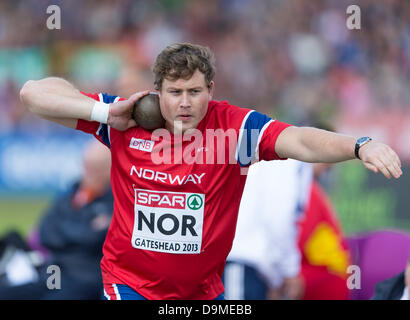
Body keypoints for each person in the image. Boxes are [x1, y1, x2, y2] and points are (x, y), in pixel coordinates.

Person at [19, 43, 402, 300]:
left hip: (202, 293)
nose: (185, 104)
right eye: (175, 92)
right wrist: (103, 113)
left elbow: (299, 140)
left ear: (211, 89)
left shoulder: (234, 129)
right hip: (129, 285)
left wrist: (359, 145)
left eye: (195, 92)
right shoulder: (125, 119)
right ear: (158, 92)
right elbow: (34, 93)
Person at [0, 141, 113, 299]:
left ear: (110, 170)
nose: (88, 173)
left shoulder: (116, 203)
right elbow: (46, 233)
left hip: (85, 280)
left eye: (96, 169)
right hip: (54, 273)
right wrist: (86, 229)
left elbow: (96, 240)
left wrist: (68, 231)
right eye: (86, 166)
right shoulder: (70, 195)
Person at [224, 159, 312, 300]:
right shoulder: (293, 154)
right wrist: (287, 271)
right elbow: (279, 215)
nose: (329, 168)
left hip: (238, 263)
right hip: (241, 263)